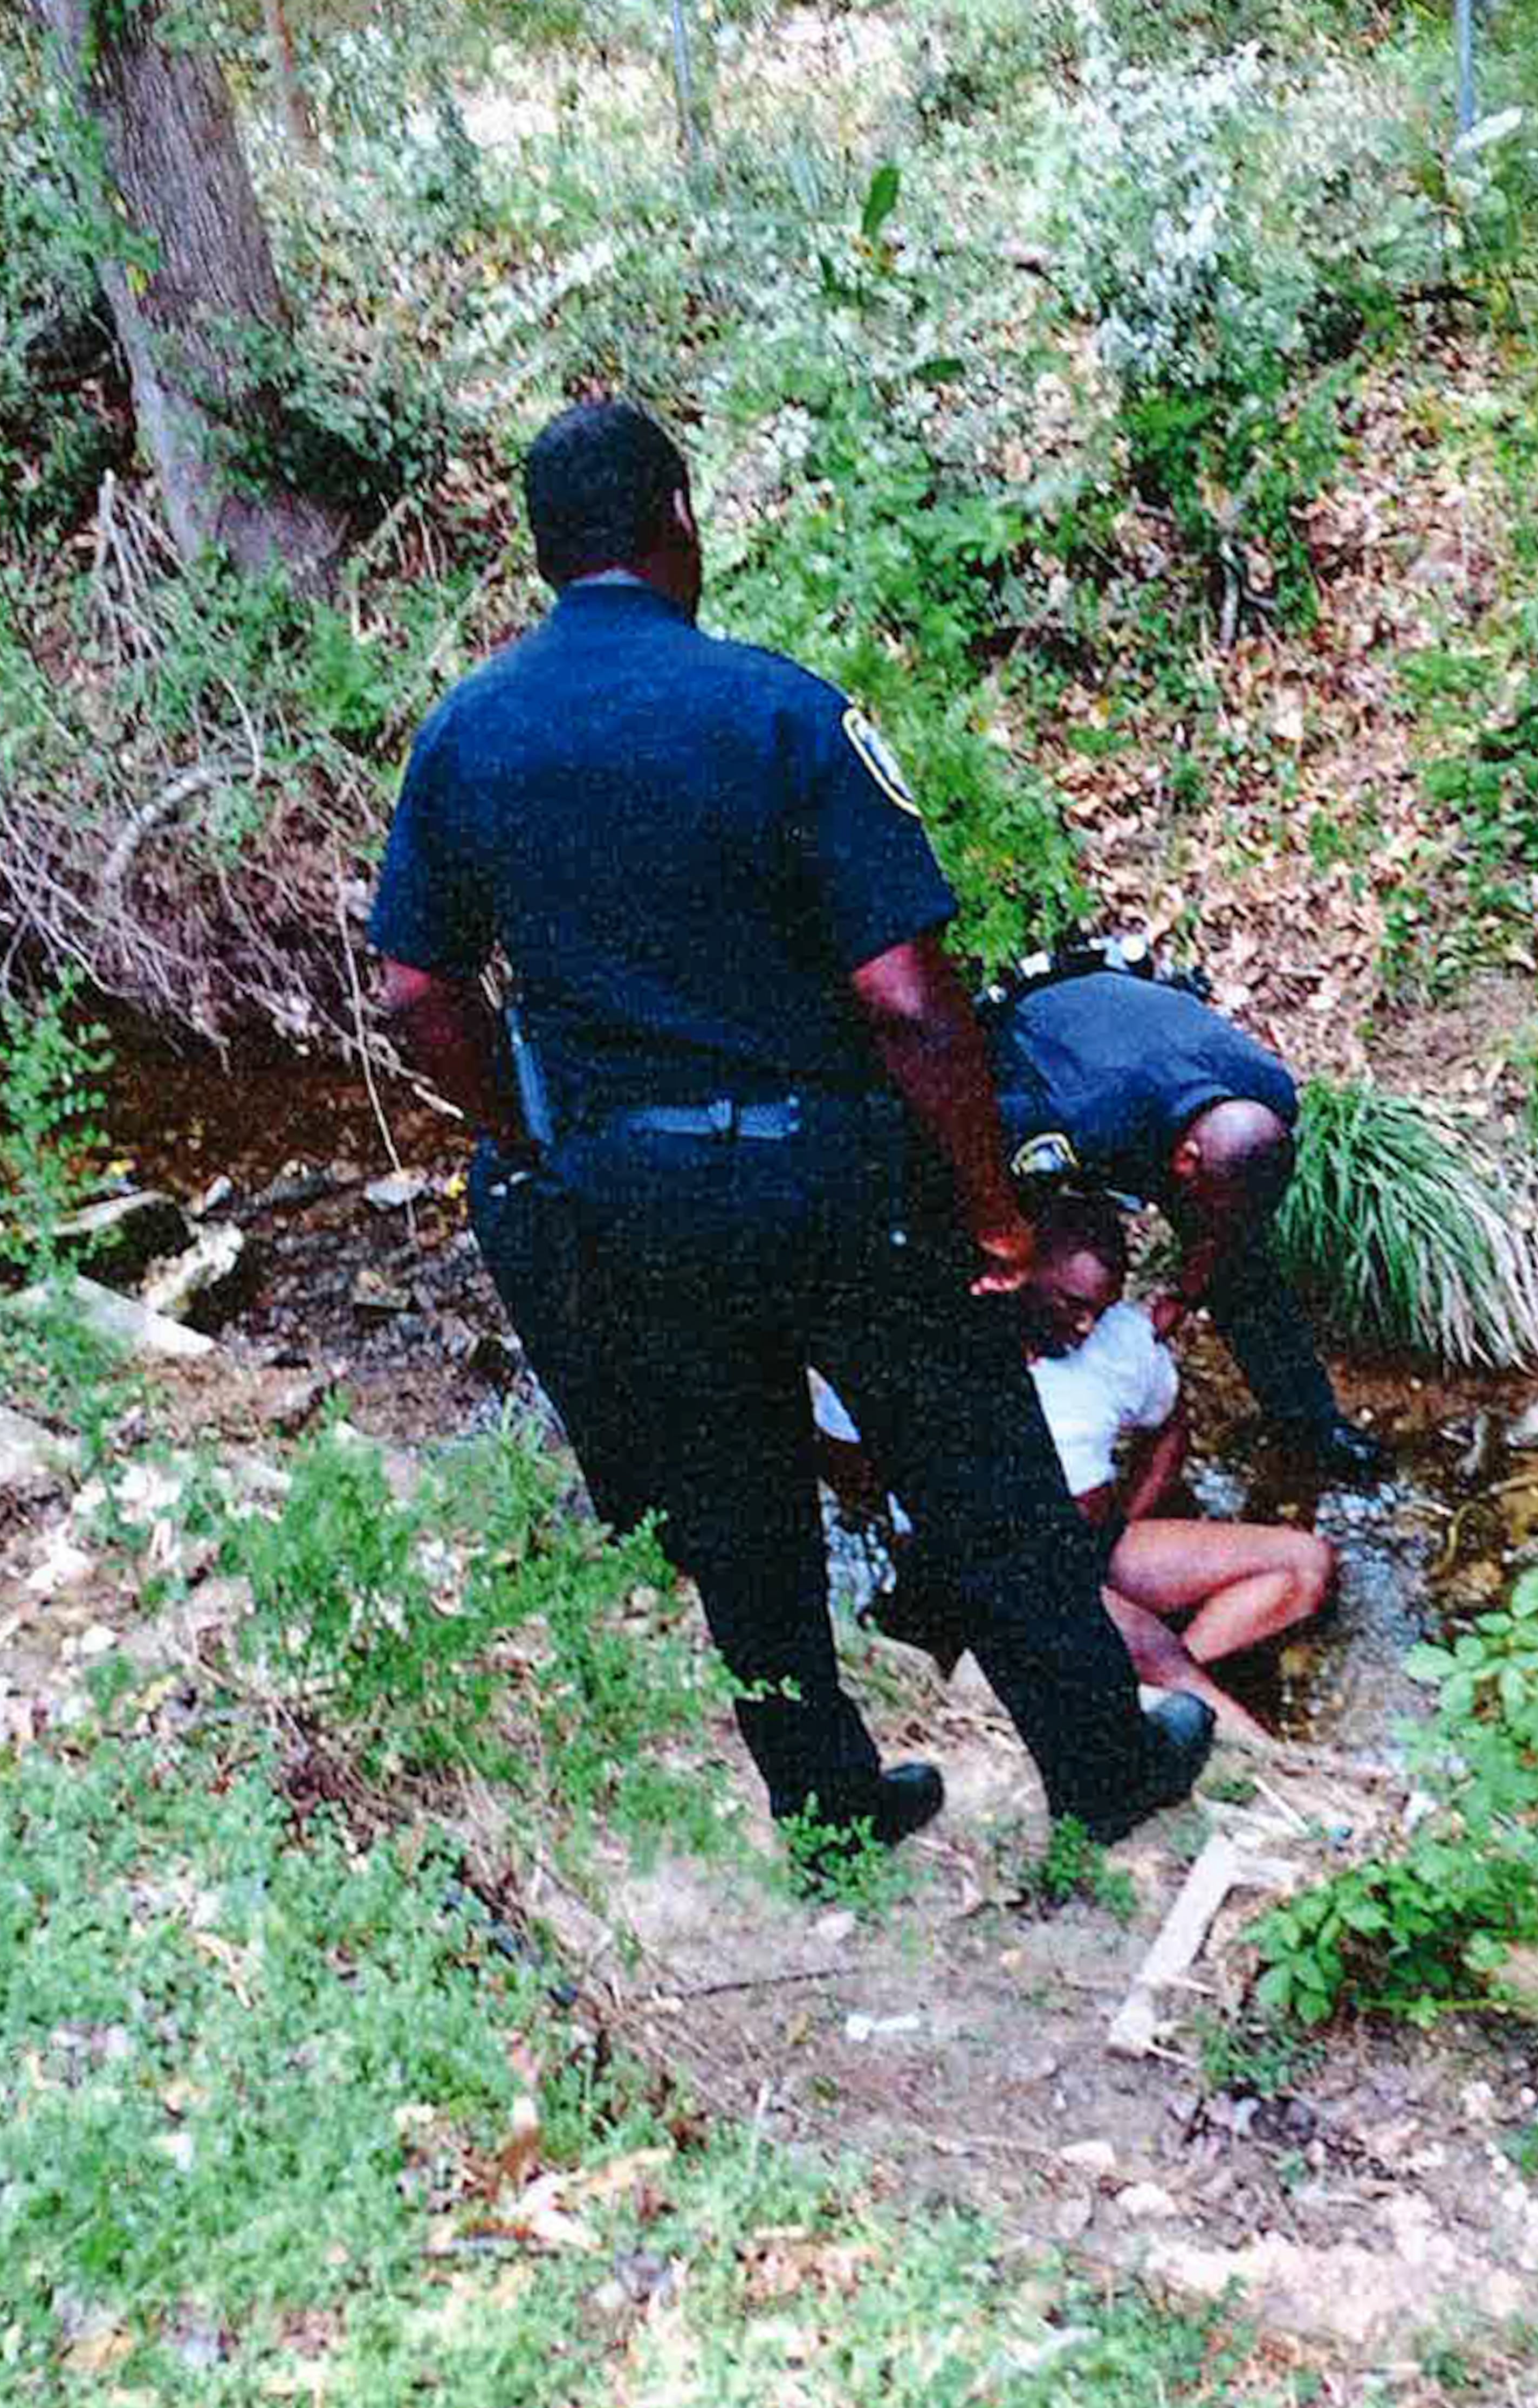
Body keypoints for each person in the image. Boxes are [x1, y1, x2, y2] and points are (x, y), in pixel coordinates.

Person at [368, 397, 1213, 1859]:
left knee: (737, 1502)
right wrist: (999, 1215)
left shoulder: (466, 737)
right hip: (835, 1174)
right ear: (679, 522)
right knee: (979, 1468)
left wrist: (539, 1138)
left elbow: (416, 992)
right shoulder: (780, 710)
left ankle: (827, 1803)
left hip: (631, 1190)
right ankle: (1102, 1765)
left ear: (544, 550)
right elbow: (907, 999)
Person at [814, 1194, 1335, 1745]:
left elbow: (1169, 1432)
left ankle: (1148, 1676)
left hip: (1086, 1546)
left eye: (1100, 1309)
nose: (1086, 1326)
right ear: (1022, 1271)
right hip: (984, 1569)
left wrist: (1125, 1515)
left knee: (1305, 1564)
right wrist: (908, 1519)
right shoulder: (924, 1341)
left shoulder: (1122, 1342)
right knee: (1152, 1648)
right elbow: (843, 1457)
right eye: (1070, 1304)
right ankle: (1256, 1751)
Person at [987, 969, 1385, 1481]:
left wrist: (1185, 1293)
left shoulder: (1267, 1095)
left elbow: (1232, 1224)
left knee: (1244, 1271)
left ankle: (1311, 1427)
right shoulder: (1081, 1117)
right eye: (1204, 1204)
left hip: (1145, 1072)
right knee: (1028, 1259)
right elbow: (993, 1190)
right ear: (1185, 1162)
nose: (1206, 1219)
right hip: (1040, 1044)